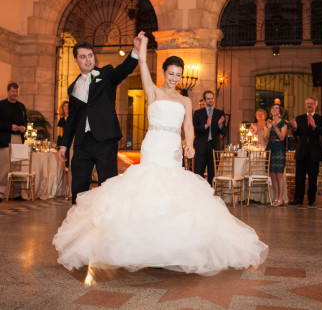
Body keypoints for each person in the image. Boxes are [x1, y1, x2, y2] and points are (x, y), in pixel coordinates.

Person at [53, 31, 268, 275]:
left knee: (171, 195)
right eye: (171, 73)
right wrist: (141, 46)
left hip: (172, 149)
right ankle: (143, 245)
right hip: (154, 145)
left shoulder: (186, 101)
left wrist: (189, 143)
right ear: (164, 73)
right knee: (148, 192)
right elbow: (141, 64)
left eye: (178, 75)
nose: (175, 78)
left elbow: (188, 126)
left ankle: (171, 246)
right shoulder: (153, 91)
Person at [58, 39, 140, 204]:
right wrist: (65, 145)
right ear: (76, 60)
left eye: (90, 55)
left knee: (108, 184)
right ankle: (78, 221)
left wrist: (135, 52)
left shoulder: (106, 74)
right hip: (82, 143)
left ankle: (108, 222)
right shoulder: (73, 87)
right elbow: (72, 119)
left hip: (105, 139)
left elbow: (122, 72)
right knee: (79, 185)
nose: (88, 59)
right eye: (83, 56)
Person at [289, 96, 322, 206]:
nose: (309, 105)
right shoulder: (300, 118)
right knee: (299, 177)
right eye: (308, 103)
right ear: (305, 105)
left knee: (312, 177)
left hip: (314, 153)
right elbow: (296, 134)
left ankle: (311, 199)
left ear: (315, 105)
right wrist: (295, 128)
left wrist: (315, 126)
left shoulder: (320, 119)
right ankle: (298, 199)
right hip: (302, 152)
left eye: (311, 103)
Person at [0, 83, 27, 202]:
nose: (15, 94)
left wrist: (23, 128)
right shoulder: (1, 105)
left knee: (17, 166)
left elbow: (25, 121)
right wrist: (10, 126)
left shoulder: (21, 106)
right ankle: (1, 193)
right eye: (12, 91)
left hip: (18, 139)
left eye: (16, 91)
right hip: (6, 138)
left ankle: (16, 193)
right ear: (8, 91)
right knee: (4, 166)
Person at [193, 91, 226, 186]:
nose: (211, 100)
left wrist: (220, 125)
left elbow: (224, 132)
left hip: (214, 147)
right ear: (204, 100)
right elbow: (194, 129)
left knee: (212, 175)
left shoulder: (219, 113)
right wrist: (205, 126)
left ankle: (211, 197)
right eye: (208, 99)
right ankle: (198, 195)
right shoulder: (198, 113)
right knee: (198, 174)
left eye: (212, 98)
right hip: (201, 147)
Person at [264, 104, 288, 206]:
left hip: (279, 148)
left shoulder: (283, 123)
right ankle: (276, 198)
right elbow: (266, 137)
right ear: (271, 111)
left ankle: (281, 198)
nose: (274, 109)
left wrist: (275, 127)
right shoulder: (268, 123)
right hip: (271, 148)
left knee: (279, 175)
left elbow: (282, 137)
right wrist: (269, 128)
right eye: (273, 108)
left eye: (276, 108)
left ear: (280, 112)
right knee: (272, 175)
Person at [57, 101, 72, 199]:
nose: (66, 108)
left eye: (67, 106)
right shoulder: (62, 120)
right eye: (64, 106)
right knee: (69, 168)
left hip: (74, 142)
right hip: (67, 144)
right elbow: (60, 134)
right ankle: (70, 191)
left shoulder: (73, 117)